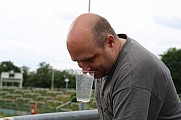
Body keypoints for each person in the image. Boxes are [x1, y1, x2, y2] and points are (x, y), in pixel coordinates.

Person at [66, 13, 181, 120]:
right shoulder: (106, 65)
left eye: (89, 59)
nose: (85, 70)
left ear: (110, 42)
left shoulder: (132, 72)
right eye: (78, 62)